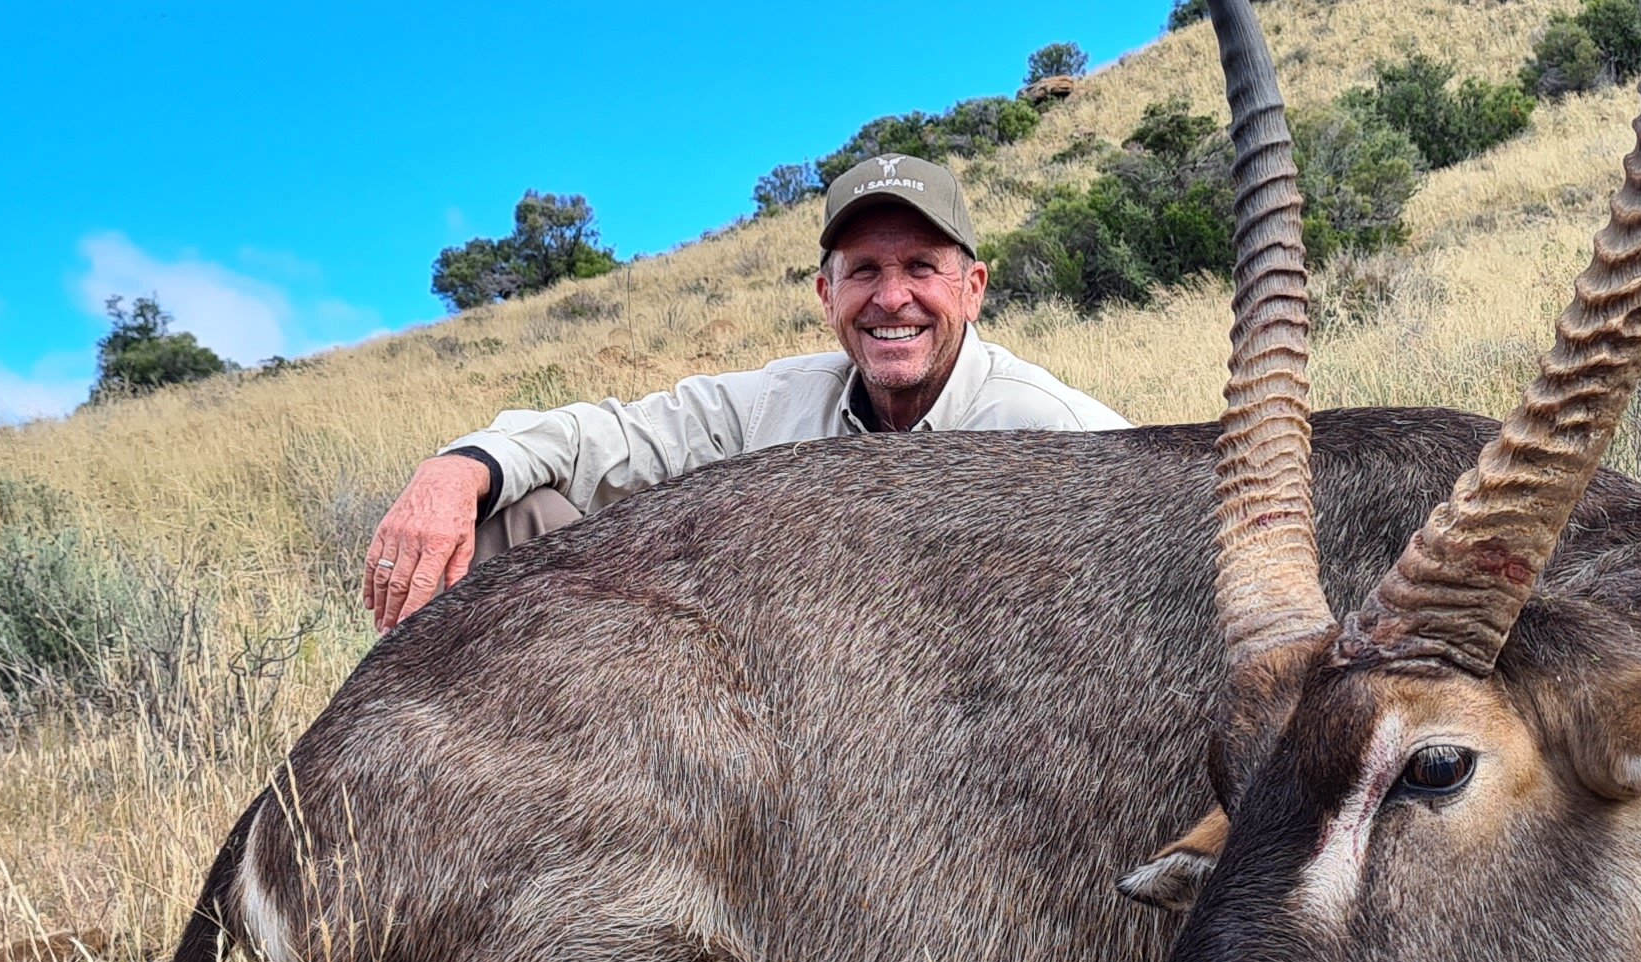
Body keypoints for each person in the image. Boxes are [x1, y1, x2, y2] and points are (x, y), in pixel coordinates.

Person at [363, 153, 1125, 628]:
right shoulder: (778, 402)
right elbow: (611, 437)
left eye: (921, 267)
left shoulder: (1055, 432)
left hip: (965, 741)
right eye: (864, 270)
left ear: (973, 289)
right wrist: (457, 469)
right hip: (767, 702)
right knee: (515, 512)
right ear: (826, 295)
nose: (892, 298)